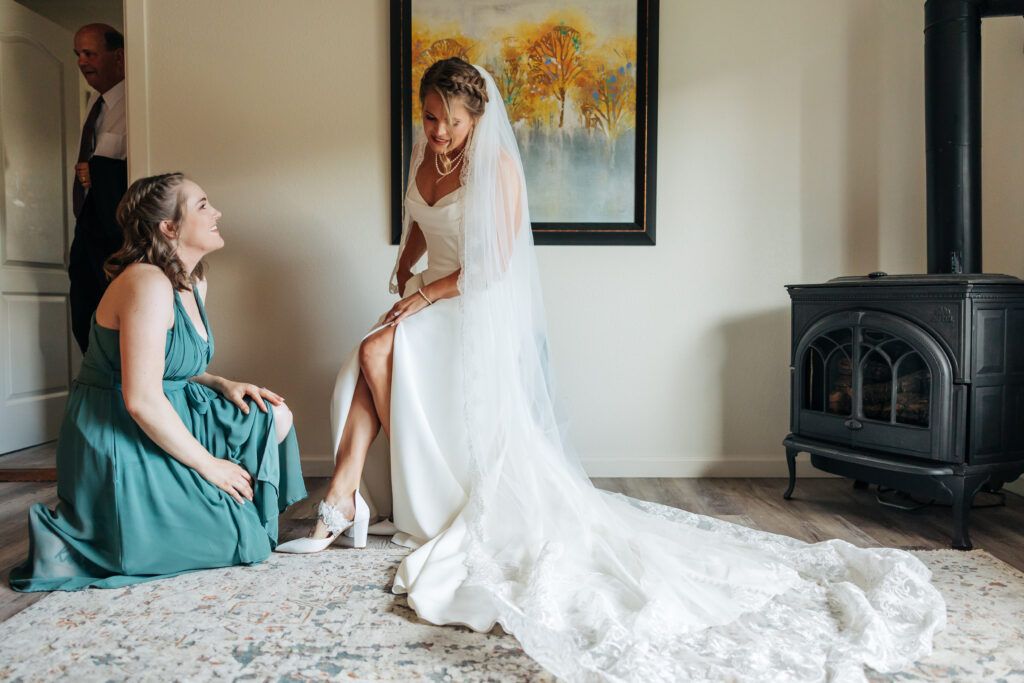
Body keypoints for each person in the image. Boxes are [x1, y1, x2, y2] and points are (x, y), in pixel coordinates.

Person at [280, 58, 945, 681]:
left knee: (375, 350)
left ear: (477, 118)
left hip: (467, 306)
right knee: (365, 355)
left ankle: (355, 499)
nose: (440, 131)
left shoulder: (497, 170)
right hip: (429, 294)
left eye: (452, 121)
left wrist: (421, 295)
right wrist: (405, 263)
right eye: (430, 117)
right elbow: (423, 221)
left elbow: (493, 267)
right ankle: (351, 497)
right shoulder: (427, 153)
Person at [10, 173, 306, 592]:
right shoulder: (145, 283)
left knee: (271, 415)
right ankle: (89, 533)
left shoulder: (194, 279)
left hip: (172, 406)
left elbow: (165, 362)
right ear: (168, 227)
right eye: (203, 205)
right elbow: (141, 398)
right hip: (118, 428)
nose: (216, 212)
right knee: (245, 539)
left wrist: (221, 382)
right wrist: (210, 466)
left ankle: (203, 497)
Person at [69, 24, 128, 353]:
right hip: (88, 232)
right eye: (77, 54)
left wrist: (100, 173)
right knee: (83, 312)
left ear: (117, 56)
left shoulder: (138, 103)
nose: (81, 62)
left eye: (89, 53)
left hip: (117, 236)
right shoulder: (94, 103)